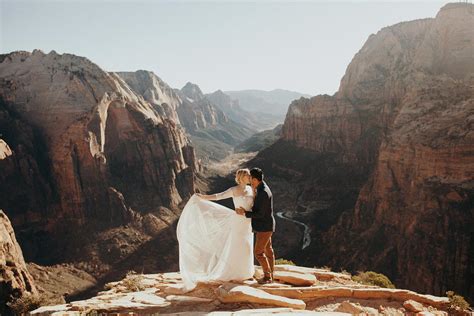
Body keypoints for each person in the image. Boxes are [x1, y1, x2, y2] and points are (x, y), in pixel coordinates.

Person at [176, 168, 255, 291]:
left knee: (247, 246)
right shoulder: (233, 190)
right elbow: (219, 196)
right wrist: (202, 197)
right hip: (238, 222)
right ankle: (234, 273)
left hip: (248, 222)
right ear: (241, 177)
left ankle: (246, 272)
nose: (250, 177)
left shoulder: (251, 189)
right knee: (237, 245)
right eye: (248, 175)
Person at [236, 167, 276, 284]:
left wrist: (245, 212)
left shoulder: (263, 192)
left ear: (254, 179)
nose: (248, 179)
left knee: (259, 253)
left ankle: (268, 277)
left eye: (249, 178)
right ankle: (271, 274)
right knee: (268, 250)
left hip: (264, 227)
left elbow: (259, 214)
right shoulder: (262, 187)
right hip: (267, 225)